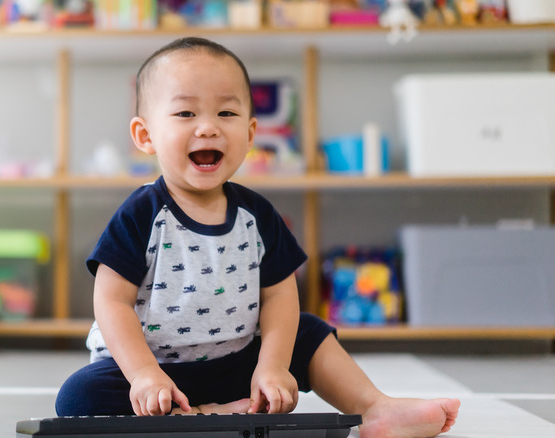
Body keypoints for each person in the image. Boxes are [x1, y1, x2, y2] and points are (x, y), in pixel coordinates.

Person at [56, 37, 460, 437]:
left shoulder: (257, 215)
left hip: (236, 362)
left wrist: (272, 365)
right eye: (185, 113)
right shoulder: (141, 214)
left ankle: (375, 409)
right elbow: (111, 300)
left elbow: (280, 296)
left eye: (226, 112)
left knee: (307, 332)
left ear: (250, 134)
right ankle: (197, 415)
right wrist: (144, 375)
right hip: (154, 375)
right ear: (145, 136)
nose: (209, 127)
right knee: (78, 397)